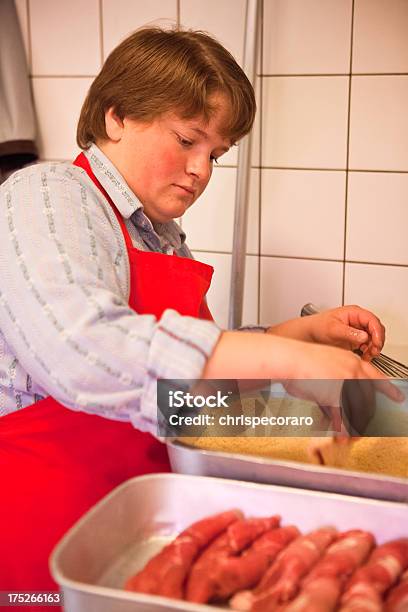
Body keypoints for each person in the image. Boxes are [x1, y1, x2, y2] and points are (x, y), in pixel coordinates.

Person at [0, 26, 397, 600]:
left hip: (138, 506)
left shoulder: (158, 234)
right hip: (42, 512)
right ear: (116, 117)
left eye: (216, 153)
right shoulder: (49, 192)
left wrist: (301, 336)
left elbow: (190, 367)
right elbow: (80, 347)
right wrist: (283, 356)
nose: (202, 170)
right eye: (188, 140)